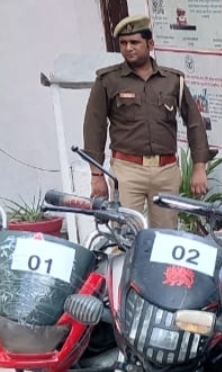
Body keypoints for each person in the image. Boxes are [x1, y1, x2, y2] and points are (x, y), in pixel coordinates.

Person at [82, 15, 210, 229]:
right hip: (127, 170)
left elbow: (195, 123)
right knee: (126, 234)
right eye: (123, 43)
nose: (128, 48)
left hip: (165, 171)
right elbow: (94, 127)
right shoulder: (108, 80)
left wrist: (199, 167)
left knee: (165, 237)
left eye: (135, 42)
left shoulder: (172, 81)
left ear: (150, 44)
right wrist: (96, 175)